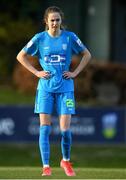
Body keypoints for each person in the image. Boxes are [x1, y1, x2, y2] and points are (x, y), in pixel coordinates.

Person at [16, 6, 91, 177]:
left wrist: (75, 72)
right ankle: (46, 166)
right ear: (46, 22)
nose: (55, 23)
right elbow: (20, 56)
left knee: (65, 130)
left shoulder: (70, 37)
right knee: (45, 128)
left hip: (66, 88)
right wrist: (36, 72)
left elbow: (87, 54)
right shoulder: (39, 38)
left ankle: (65, 160)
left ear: (61, 21)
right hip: (45, 89)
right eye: (52, 20)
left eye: (57, 20)